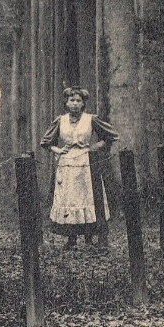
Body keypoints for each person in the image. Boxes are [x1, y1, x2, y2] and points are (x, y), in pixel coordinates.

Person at [39, 87, 119, 252]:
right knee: (70, 200)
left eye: (78, 101)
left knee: (89, 198)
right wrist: (58, 150)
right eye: (71, 100)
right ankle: (71, 238)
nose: (74, 104)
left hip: (86, 162)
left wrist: (95, 146)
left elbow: (111, 135)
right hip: (67, 164)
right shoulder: (60, 121)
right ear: (66, 103)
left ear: (83, 104)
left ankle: (94, 237)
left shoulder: (91, 119)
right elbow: (46, 142)